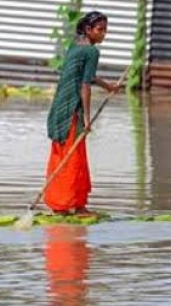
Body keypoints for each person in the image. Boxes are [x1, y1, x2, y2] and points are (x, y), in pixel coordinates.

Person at [44, 11, 119, 215]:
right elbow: (85, 85)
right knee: (73, 156)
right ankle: (70, 205)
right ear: (88, 30)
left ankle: (73, 204)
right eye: (100, 30)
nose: (104, 34)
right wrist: (87, 118)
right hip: (70, 109)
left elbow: (89, 76)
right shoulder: (92, 52)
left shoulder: (76, 45)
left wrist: (108, 86)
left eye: (105, 30)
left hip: (59, 107)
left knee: (65, 154)